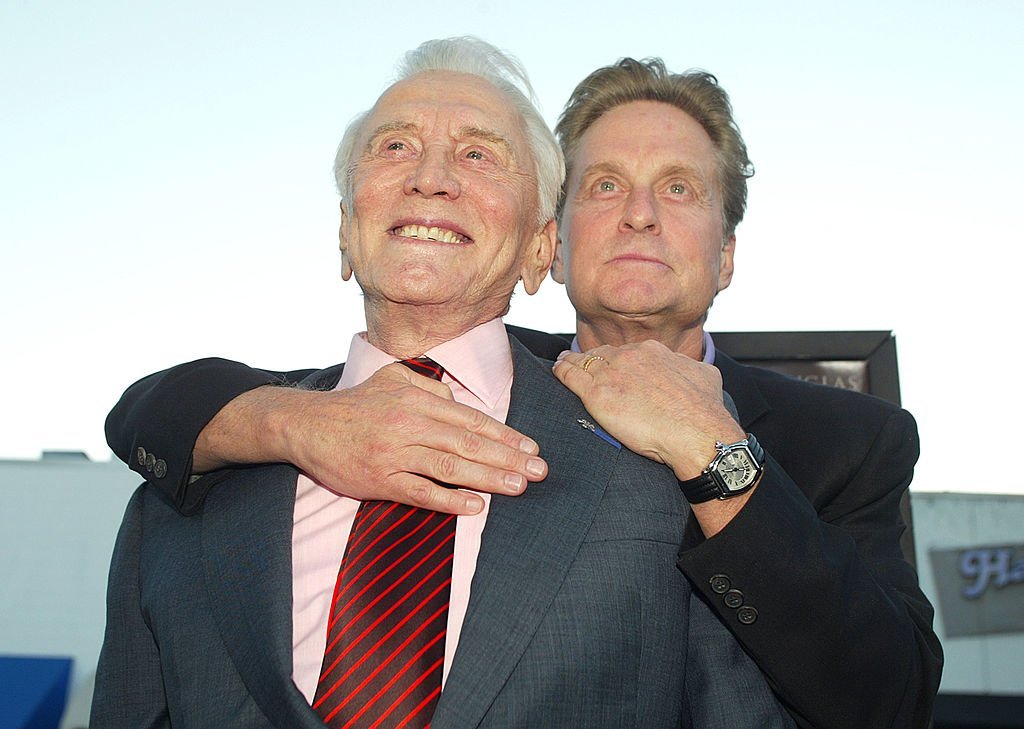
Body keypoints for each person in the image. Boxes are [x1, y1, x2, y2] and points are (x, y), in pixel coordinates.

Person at [103, 55, 943, 728]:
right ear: (556, 242)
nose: (640, 214)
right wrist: (290, 421)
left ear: (728, 255)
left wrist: (711, 449)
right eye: (604, 185)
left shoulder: (802, 453)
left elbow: (881, 695)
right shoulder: (235, 469)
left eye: (679, 188)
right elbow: (159, 409)